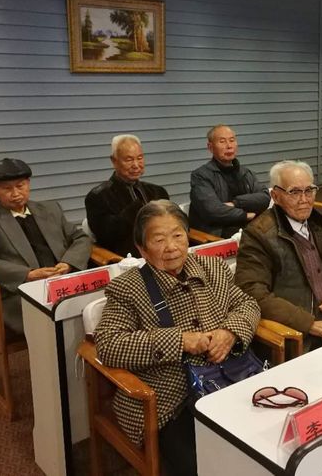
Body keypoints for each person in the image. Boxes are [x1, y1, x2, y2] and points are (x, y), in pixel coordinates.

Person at [95, 200, 260, 476]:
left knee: (263, 444)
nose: (171, 247)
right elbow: (109, 345)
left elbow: (247, 304)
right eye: (159, 240)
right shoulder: (127, 288)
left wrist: (230, 332)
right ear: (142, 249)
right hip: (170, 401)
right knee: (206, 468)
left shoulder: (213, 268)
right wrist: (180, 341)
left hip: (230, 379)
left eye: (177, 235)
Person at [235, 161, 322, 349]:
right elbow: (252, 293)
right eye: (294, 192)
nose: (304, 199)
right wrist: (308, 324)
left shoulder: (319, 224)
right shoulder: (258, 234)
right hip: (299, 337)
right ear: (275, 196)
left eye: (309, 191)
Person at [0, 158, 92, 334]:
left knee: (97, 308)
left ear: (28, 184)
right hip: (21, 292)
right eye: (7, 188)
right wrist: (27, 274)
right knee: (55, 322)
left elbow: (80, 238)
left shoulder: (50, 209)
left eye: (20, 186)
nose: (16, 193)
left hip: (64, 281)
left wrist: (68, 263)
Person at [85, 134, 170, 257]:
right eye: (129, 160)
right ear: (114, 161)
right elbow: (106, 236)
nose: (136, 165)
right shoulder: (98, 197)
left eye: (140, 158)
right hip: (126, 259)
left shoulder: (158, 191)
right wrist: (135, 209)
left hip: (163, 254)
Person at [189, 125, 271, 237]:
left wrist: (235, 203)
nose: (229, 146)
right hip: (218, 234)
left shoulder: (246, 173)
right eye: (222, 141)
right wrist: (245, 215)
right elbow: (213, 211)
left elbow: (264, 197)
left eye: (232, 140)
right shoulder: (201, 176)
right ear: (210, 147)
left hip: (248, 229)